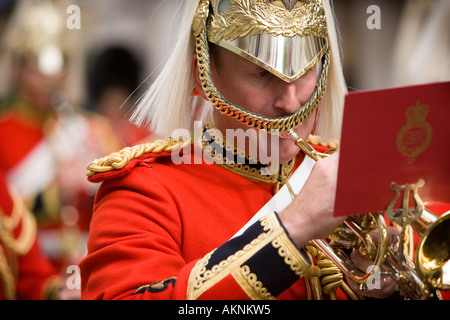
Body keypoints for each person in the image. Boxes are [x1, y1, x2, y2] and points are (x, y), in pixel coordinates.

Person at [80, 0, 425, 300]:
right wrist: (292, 227)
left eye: (305, 73)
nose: (290, 103)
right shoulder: (142, 189)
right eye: (261, 74)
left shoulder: (357, 171)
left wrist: (384, 289)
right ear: (203, 76)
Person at [0, 0, 123, 270]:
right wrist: (57, 193)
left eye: (62, 63)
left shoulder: (92, 128)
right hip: (27, 271)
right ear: (19, 67)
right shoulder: (3, 133)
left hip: (85, 267)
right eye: (40, 66)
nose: (53, 78)